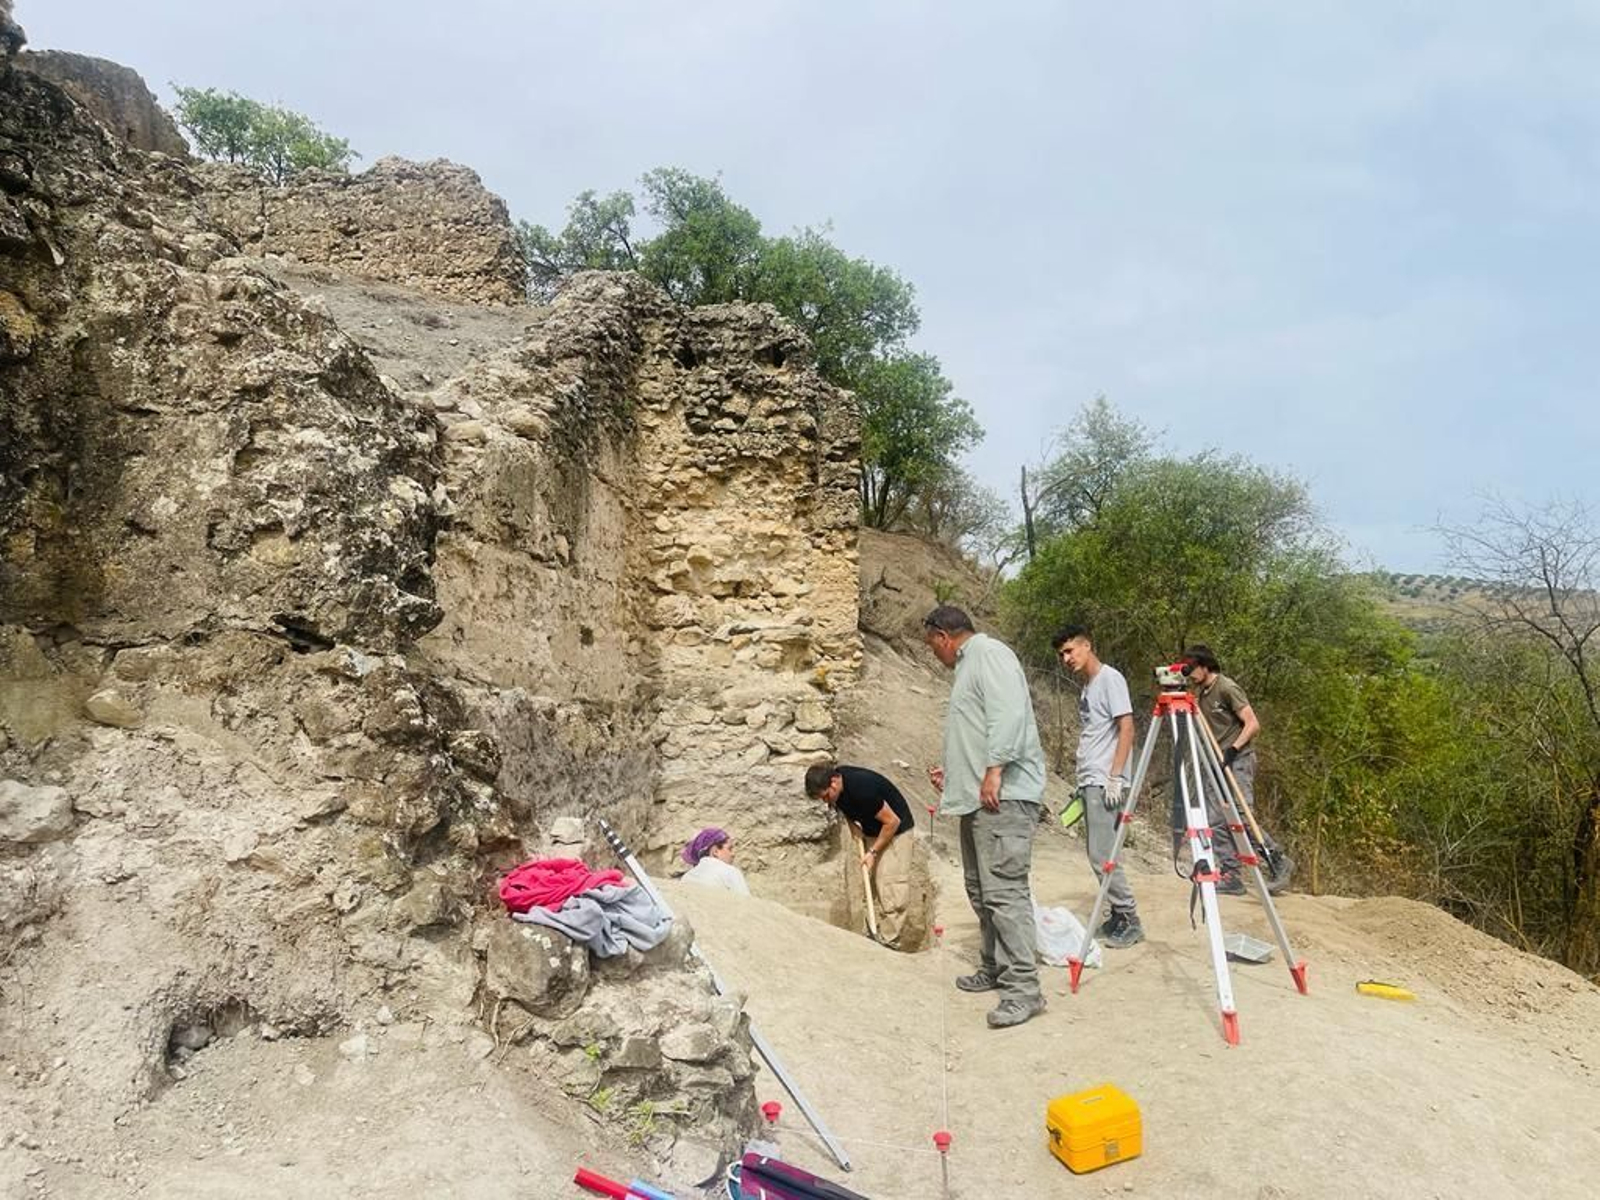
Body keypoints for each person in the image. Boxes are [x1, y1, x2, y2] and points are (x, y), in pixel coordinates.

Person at [922, 604, 1048, 1029]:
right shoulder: (969, 665)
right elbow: (977, 729)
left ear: (943, 636)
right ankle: (994, 966)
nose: (934, 654)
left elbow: (1009, 715)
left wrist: (995, 769)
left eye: (932, 646)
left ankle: (1023, 990)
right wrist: (955, 775)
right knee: (981, 890)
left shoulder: (990, 654)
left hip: (1004, 798)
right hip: (979, 800)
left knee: (1005, 894)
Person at [1054, 624, 1145, 949]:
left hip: (1105, 781)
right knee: (1101, 852)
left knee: (1101, 854)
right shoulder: (1088, 687)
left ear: (1087, 645)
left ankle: (1129, 917)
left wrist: (1115, 776)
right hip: (1091, 780)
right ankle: (1119, 915)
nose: (1066, 658)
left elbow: (1127, 727)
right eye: (1061, 654)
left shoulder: (1110, 679)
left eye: (1070, 650)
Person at [1183, 645, 1294, 895]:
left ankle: (1278, 860)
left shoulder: (1227, 687)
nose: (1189, 673)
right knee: (1215, 820)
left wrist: (1233, 749)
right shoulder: (1201, 693)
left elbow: (1253, 724)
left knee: (1242, 816)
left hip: (1239, 758)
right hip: (1217, 761)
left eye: (1192, 667)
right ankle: (1231, 874)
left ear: (1205, 666)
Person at [804, 762, 919, 949]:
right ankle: (871, 933)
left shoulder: (863, 788)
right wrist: (853, 826)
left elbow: (892, 822)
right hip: (873, 830)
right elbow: (844, 806)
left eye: (825, 796)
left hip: (896, 832)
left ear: (833, 783)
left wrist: (873, 852)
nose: (825, 801)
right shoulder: (837, 790)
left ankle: (890, 941)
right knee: (869, 885)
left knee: (890, 886)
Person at [679, 827, 750, 895]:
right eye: (729, 849)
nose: (733, 854)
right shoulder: (730, 872)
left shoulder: (686, 877)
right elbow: (745, 901)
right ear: (715, 851)